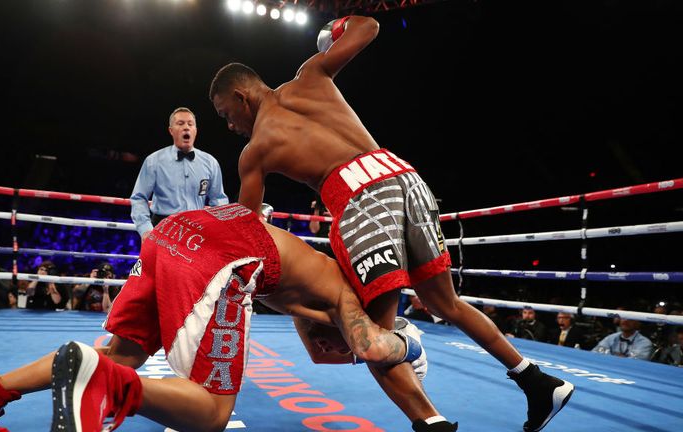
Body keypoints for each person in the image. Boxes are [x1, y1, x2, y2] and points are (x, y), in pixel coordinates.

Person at [209, 15, 573, 432]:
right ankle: (536, 380)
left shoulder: (256, 150)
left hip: (362, 201)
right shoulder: (310, 73)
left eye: (226, 114)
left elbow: (246, 232)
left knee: (372, 339)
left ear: (241, 96)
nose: (230, 125)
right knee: (444, 303)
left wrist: (261, 220)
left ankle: (420, 387)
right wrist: (335, 29)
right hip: (404, 177)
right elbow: (368, 27)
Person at [0, 203, 428, 432]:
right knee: (210, 413)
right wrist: (408, 342)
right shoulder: (343, 292)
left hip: (174, 233)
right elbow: (365, 346)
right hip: (225, 253)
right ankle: (105, 385)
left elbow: (322, 351)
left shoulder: (310, 280)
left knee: (122, 355)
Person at [130, 107, 229, 241]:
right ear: (171, 130)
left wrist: (217, 229)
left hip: (197, 229)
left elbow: (219, 200)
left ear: (195, 130)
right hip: (162, 227)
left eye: (190, 124)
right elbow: (139, 197)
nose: (186, 128)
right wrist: (146, 229)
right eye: (180, 123)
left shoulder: (210, 163)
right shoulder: (154, 161)